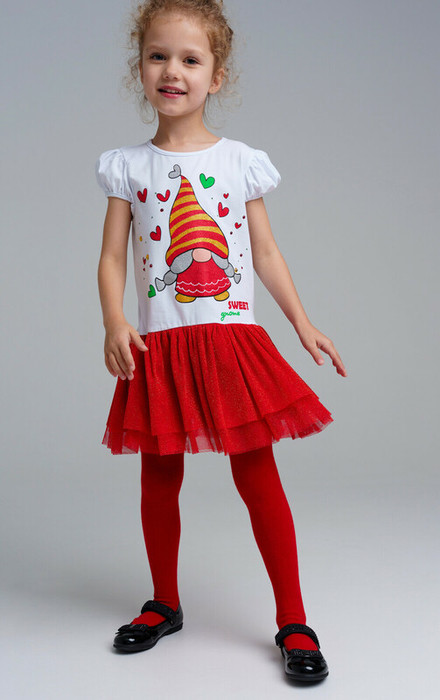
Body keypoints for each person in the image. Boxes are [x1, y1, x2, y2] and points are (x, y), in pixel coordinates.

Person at [96, 0, 346, 683]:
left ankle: (293, 618)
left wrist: (301, 322)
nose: (172, 71)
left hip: (231, 342)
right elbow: (113, 257)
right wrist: (115, 320)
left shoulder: (239, 162)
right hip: (161, 345)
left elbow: (265, 252)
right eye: (157, 56)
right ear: (139, 67)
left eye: (189, 59)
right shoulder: (127, 167)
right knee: (159, 476)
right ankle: (163, 602)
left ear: (217, 75)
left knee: (256, 473)